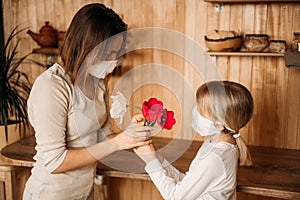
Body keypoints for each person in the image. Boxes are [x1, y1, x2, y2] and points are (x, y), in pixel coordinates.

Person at [23, 3, 152, 200]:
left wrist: (129, 134)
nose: (114, 61)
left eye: (117, 54)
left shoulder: (98, 82)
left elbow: (104, 138)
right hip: (50, 194)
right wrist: (118, 142)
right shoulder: (52, 87)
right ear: (86, 46)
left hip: (84, 193)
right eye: (109, 53)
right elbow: (55, 162)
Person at [134, 81, 254, 200]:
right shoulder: (216, 144)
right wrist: (155, 157)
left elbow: (175, 197)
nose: (195, 111)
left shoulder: (214, 158)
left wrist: (151, 163)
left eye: (201, 111)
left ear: (220, 124)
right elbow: (187, 183)